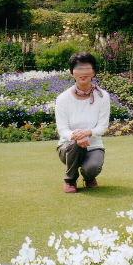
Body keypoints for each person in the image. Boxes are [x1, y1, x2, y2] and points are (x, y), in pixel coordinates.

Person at [54, 52, 110, 193]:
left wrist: (87, 133)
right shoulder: (62, 98)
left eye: (87, 69)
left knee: (92, 168)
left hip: (94, 145)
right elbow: (62, 129)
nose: (83, 73)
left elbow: (103, 127)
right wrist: (77, 136)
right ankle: (70, 180)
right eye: (79, 69)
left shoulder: (103, 97)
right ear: (72, 72)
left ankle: (89, 176)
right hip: (68, 147)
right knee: (76, 144)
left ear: (94, 72)